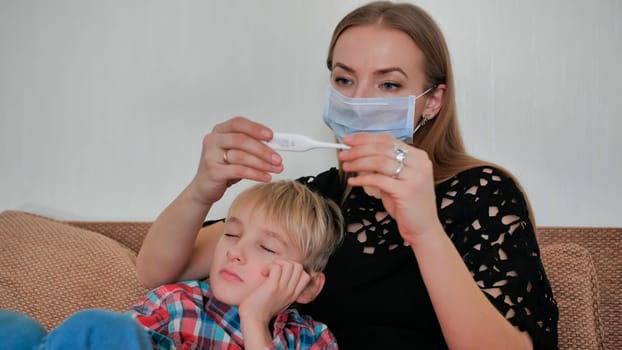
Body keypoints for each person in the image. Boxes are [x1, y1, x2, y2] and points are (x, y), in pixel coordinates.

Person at [136, 1, 559, 349]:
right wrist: (201, 190)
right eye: (344, 79)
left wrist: (425, 230)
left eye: (389, 85)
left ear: (432, 101)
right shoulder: (315, 202)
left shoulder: (482, 193)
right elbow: (160, 274)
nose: (359, 102)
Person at [0, 180, 343, 350]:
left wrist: (255, 321)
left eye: (266, 247)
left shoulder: (312, 340)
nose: (235, 252)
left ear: (309, 285)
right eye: (231, 234)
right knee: (20, 330)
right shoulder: (176, 302)